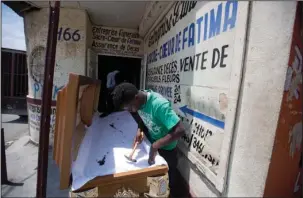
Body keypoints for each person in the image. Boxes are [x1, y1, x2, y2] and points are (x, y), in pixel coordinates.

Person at [112, 82, 185, 197]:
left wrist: (156, 145)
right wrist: (139, 130)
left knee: (167, 179)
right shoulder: (140, 101)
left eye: (130, 107)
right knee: (154, 177)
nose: (130, 111)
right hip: (154, 141)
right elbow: (142, 115)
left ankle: (170, 192)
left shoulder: (159, 105)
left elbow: (180, 130)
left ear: (136, 98)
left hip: (167, 149)